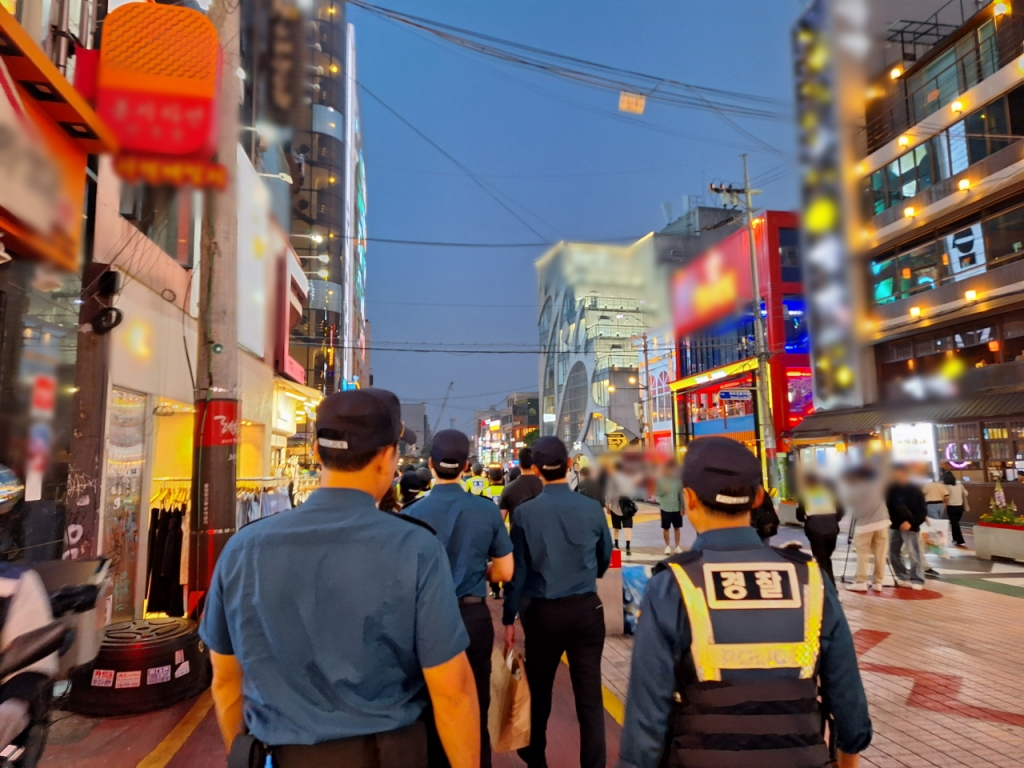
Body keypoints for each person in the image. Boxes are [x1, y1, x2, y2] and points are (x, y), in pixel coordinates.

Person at [200, 388, 480, 768]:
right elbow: (452, 692)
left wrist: (244, 752)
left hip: (276, 756)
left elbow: (226, 680)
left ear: (317, 453)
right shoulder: (415, 548)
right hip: (386, 756)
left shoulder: (242, 548)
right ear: (387, 456)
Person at [616, 437, 872, 768]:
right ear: (758, 498)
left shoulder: (673, 585)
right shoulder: (809, 577)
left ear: (689, 498)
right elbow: (849, 702)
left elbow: (646, 715)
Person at [502, 437, 613, 768]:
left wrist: (509, 618)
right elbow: (604, 558)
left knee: (540, 692)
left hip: (542, 614)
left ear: (535, 470)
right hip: (586, 610)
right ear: (568, 465)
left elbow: (517, 573)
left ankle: (536, 758)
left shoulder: (523, 514)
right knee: (590, 699)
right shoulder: (592, 507)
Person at [406, 431, 514, 768]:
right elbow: (505, 572)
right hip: (472, 618)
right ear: (467, 467)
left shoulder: (411, 513)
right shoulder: (485, 510)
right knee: (474, 704)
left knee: (426, 704)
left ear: (430, 464)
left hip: (423, 621)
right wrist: (481, 573)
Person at [840, 465, 890, 592]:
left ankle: (861, 581)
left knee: (863, 554)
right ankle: (878, 582)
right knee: (881, 553)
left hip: (864, 526)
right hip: (882, 523)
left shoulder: (853, 491)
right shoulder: (877, 485)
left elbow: (853, 509)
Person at [795, 473, 843, 586]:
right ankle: (829, 586)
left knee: (822, 560)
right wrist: (834, 520)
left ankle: (831, 589)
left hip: (815, 530)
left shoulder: (805, 495)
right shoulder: (830, 493)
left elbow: (800, 516)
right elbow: (841, 510)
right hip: (832, 530)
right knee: (825, 558)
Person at [886, 464, 928, 590]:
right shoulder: (891, 489)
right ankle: (902, 576)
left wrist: (912, 522)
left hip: (911, 526)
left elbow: (922, 510)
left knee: (913, 553)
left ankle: (917, 579)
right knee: (892, 552)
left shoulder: (914, 490)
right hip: (894, 525)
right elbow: (888, 506)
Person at [498, 447, 543, 527]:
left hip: (516, 537)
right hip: (542, 537)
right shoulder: (545, 487)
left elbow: (499, 521)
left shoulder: (508, 489)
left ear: (519, 465)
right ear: (535, 465)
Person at [605, 460, 636, 557]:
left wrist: (608, 505)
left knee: (616, 528)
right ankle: (628, 547)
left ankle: (617, 545)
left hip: (615, 507)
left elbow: (609, 494)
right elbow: (632, 493)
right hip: (627, 508)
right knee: (628, 528)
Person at [654, 461, 683, 555]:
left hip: (676, 507)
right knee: (666, 527)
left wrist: (682, 507)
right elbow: (657, 493)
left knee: (677, 527)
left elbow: (680, 495)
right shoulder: (660, 481)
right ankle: (667, 547)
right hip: (665, 507)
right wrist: (663, 491)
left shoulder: (678, 481)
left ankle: (677, 547)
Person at [943, 471, 969, 548]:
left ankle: (960, 540)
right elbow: (966, 493)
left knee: (955, 524)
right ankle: (955, 539)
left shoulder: (946, 487)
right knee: (955, 523)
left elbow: (944, 496)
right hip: (960, 507)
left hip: (951, 507)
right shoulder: (960, 485)